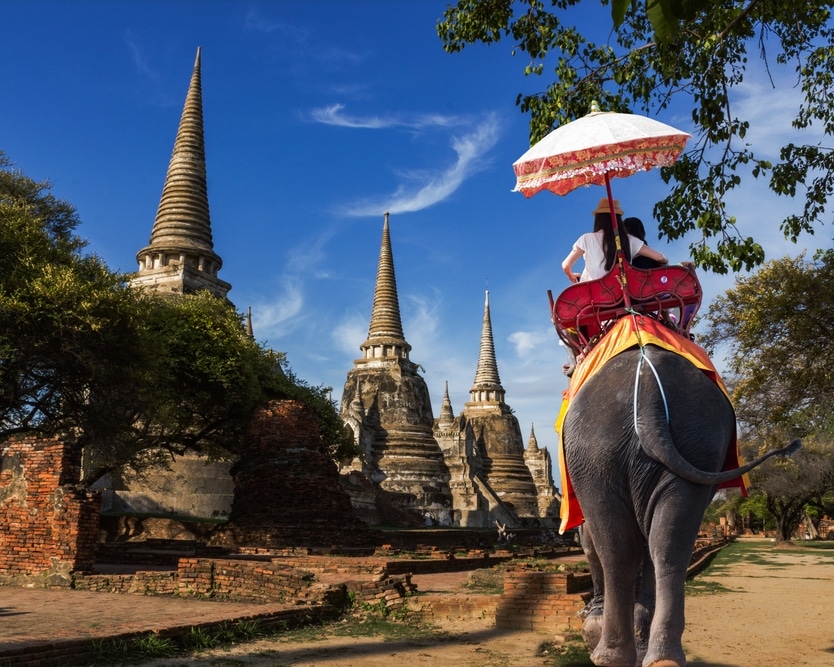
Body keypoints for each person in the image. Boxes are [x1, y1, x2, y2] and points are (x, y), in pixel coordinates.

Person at [562, 198, 668, 283]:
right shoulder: (629, 239)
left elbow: (566, 265)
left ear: (598, 218)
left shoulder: (586, 238)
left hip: (595, 297)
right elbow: (659, 257)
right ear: (618, 219)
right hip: (623, 294)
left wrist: (571, 276)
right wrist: (664, 262)